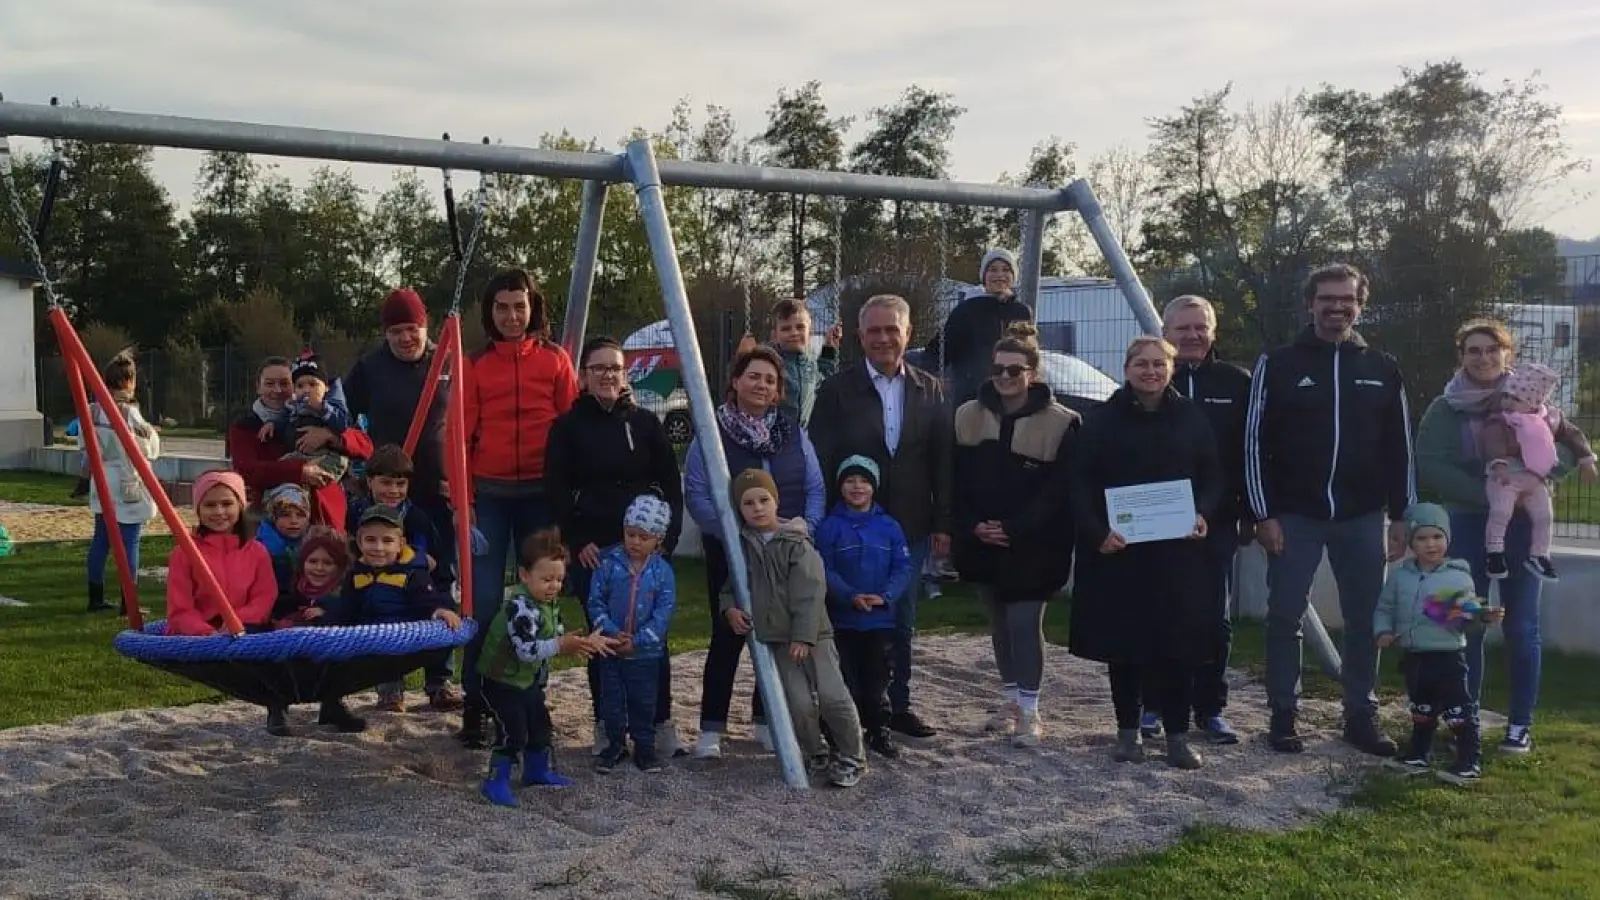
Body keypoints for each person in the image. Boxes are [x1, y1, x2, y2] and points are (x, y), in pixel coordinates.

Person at [1245, 263, 1414, 756]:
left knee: (1364, 620)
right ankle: (1283, 715)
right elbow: (1253, 444)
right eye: (1327, 299)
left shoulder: (1382, 368)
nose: (1337, 307)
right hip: (1294, 516)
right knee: (1284, 615)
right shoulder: (1276, 365)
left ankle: (1360, 715)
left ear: (1361, 305)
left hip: (1362, 517)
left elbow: (1400, 447)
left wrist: (1403, 515)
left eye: (1347, 300)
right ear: (1310, 304)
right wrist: (1264, 513)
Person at [1414, 319, 1586, 754]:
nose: (1483, 357)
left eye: (1492, 349)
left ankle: (1519, 726)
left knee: (1522, 626)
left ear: (1507, 353)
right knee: (1460, 623)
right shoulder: (1444, 408)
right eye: (1473, 350)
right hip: (1466, 527)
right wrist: (1491, 496)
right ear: (1462, 356)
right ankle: (1462, 717)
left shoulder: (1535, 401)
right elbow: (1432, 463)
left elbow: (1563, 449)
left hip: (1524, 528)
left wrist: (1532, 482)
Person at [1069, 336, 1222, 769]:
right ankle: (1128, 733)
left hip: (1179, 553)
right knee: (1126, 647)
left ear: (1171, 369)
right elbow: (1079, 483)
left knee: (1179, 646)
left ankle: (1176, 736)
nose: (1150, 371)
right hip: (1121, 553)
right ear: (1126, 368)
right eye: (1141, 364)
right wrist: (1098, 532)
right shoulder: (1101, 421)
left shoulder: (1192, 418)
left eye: (1159, 363)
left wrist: (1203, 513)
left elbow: (1212, 476)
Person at [810, 294, 950, 740]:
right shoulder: (837, 390)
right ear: (859, 335)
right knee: (847, 619)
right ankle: (848, 708)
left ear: (908, 334)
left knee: (899, 618)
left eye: (893, 329)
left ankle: (897, 706)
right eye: (874, 330)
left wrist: (944, 522)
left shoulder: (931, 389)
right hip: (848, 527)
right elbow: (821, 457)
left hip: (908, 524)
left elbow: (942, 459)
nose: (884, 338)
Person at [544, 335, 685, 756]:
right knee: (603, 637)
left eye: (615, 368)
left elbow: (670, 482)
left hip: (645, 551)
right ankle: (608, 725)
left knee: (650, 640)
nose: (608, 375)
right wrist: (576, 539)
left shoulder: (644, 423)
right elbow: (555, 488)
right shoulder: (567, 427)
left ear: (625, 375)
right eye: (599, 368)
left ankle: (658, 723)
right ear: (584, 376)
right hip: (597, 549)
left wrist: (669, 539)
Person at [684, 345, 826, 759]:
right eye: (753, 376)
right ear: (735, 381)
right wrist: (735, 534)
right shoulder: (712, 432)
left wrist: (806, 527)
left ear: (778, 389)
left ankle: (766, 719)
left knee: (778, 633)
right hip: (731, 551)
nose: (761, 385)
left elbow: (815, 488)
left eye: (770, 380)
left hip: (784, 551)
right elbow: (697, 493)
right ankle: (711, 728)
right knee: (729, 634)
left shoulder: (794, 433)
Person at [458, 269, 580, 746]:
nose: (512, 316)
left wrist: (565, 499)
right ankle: (476, 700)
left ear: (533, 309)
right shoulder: (475, 365)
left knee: (538, 598)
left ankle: (532, 694)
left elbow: (570, 430)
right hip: (488, 495)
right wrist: (464, 502)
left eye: (520, 306)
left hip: (538, 493)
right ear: (490, 312)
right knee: (483, 602)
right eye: (502, 307)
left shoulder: (554, 361)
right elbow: (462, 437)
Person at [952, 324, 1079, 749]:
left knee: (1025, 623)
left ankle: (1030, 709)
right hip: (982, 538)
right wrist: (974, 524)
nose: (1005, 377)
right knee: (999, 623)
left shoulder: (1061, 423)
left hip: (1034, 544)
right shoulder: (968, 415)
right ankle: (1010, 700)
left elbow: (1059, 490)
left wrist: (1014, 528)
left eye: (1015, 370)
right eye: (999, 369)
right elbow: (957, 479)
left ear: (1033, 374)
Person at [1146, 295, 1252, 745]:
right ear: (1165, 332)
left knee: (1213, 618)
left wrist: (1248, 510)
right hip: (1155, 522)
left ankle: (1210, 708)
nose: (1191, 335)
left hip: (1217, 520)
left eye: (1199, 327)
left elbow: (1250, 453)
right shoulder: (1147, 383)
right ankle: (1152, 705)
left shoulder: (1237, 383)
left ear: (1213, 332)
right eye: (1181, 328)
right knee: (1157, 612)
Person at [723, 468, 864, 788]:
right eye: (748, 503)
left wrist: (804, 634)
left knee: (832, 696)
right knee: (798, 702)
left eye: (763, 500)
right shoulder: (743, 546)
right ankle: (817, 753)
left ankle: (853, 755)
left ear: (776, 501)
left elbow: (810, 590)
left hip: (814, 635)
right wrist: (729, 608)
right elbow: (730, 585)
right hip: (776, 638)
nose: (757, 508)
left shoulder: (796, 543)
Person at [343, 289, 456, 637]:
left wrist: (464, 477)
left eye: (412, 328)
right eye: (395, 332)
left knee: (437, 578)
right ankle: (386, 676)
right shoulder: (370, 368)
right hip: (387, 494)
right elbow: (343, 416)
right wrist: (350, 459)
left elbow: (472, 421)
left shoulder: (449, 362)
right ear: (385, 334)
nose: (405, 338)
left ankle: (439, 677)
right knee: (382, 578)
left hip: (438, 490)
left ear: (426, 326)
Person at [477, 528, 616, 807]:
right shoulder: (520, 608)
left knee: (540, 725)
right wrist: (562, 645)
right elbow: (527, 650)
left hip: (526, 682)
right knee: (513, 731)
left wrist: (580, 643)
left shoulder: (547, 604)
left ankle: (536, 770)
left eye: (559, 579)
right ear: (525, 575)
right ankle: (495, 780)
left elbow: (557, 634)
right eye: (547, 579)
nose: (554, 586)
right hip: (500, 682)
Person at [1374, 503, 1495, 785]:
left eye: (1437, 537)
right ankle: (1418, 754)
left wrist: (1476, 614)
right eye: (1422, 538)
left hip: (1448, 656)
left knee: (1458, 711)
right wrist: (1383, 630)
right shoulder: (1401, 576)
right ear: (1411, 543)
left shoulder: (1459, 576)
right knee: (1421, 708)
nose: (1431, 544)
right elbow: (1385, 607)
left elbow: (1468, 617)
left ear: (1447, 539)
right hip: (1415, 655)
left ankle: (1469, 762)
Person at [816, 455, 913, 759]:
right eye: (849, 481)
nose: (857, 487)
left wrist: (886, 595)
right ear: (840, 486)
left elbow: (903, 567)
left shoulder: (889, 526)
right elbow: (824, 568)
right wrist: (849, 595)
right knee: (845, 680)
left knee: (877, 680)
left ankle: (879, 730)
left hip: (880, 621)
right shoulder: (830, 527)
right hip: (843, 620)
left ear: (874, 487)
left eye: (864, 481)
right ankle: (838, 733)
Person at [323, 504, 463, 711]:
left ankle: (438, 685)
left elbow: (426, 597)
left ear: (401, 544)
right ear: (359, 543)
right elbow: (347, 607)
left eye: (387, 541)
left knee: (443, 633)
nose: (379, 548)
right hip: (375, 635)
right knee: (374, 659)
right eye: (370, 540)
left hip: (408, 634)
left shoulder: (412, 573)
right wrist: (328, 622)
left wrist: (438, 610)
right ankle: (390, 692)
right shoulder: (357, 574)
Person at [1476, 362, 1595, 582]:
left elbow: (1573, 435)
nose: (1508, 403)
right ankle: (1494, 552)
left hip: (1536, 478)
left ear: (1534, 403)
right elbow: (1492, 441)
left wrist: (1586, 460)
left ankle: (1539, 554)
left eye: (1517, 399)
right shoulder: (1501, 420)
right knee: (1501, 511)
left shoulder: (1550, 419)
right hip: (1506, 475)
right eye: (1506, 396)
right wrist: (1499, 464)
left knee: (1544, 516)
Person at [587, 493, 677, 774]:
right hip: (610, 648)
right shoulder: (608, 564)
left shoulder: (663, 572)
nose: (635, 542)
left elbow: (663, 613)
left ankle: (645, 748)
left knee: (644, 700)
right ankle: (615, 745)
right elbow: (595, 602)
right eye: (630, 534)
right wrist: (613, 635)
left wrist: (638, 641)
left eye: (643, 537)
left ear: (657, 540)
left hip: (646, 652)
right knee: (612, 699)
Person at [232, 356, 373, 532]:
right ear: (258, 387)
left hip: (325, 515)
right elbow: (247, 470)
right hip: (276, 520)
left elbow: (365, 446)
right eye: (269, 383)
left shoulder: (322, 413)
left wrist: (329, 436)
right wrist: (299, 471)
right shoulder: (246, 426)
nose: (277, 390)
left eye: (285, 383)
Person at [82, 351, 161, 614]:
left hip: (101, 479)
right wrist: (151, 432)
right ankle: (130, 602)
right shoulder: (128, 412)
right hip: (126, 481)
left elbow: (84, 445)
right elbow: (148, 449)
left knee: (101, 540)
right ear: (129, 381)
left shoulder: (91, 411)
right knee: (130, 541)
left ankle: (95, 597)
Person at [164, 470, 279, 638]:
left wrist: (236, 620)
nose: (219, 512)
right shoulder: (184, 553)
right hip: (196, 637)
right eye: (210, 505)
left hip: (245, 631)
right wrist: (205, 632)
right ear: (198, 509)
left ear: (240, 506)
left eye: (226, 504)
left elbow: (264, 599)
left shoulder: (257, 552)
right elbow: (180, 608)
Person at [927, 248, 1035, 407]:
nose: (1000, 275)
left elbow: (1029, 351)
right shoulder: (966, 310)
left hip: (1012, 392)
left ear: (1013, 277)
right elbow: (939, 350)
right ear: (984, 276)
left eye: (1006, 270)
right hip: (973, 394)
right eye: (993, 270)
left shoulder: (1021, 311)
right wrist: (935, 378)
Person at [259, 351, 352, 480]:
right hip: (300, 454)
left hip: (326, 454)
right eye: (300, 386)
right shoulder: (294, 405)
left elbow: (344, 424)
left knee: (331, 468)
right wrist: (273, 424)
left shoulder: (331, 405)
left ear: (326, 387)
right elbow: (286, 420)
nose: (307, 390)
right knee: (282, 467)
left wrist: (322, 409)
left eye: (313, 384)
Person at [764, 298, 841, 428]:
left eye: (800, 327)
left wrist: (829, 349)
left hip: (802, 435)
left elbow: (823, 383)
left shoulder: (809, 363)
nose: (794, 333)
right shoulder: (769, 361)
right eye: (786, 329)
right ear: (774, 336)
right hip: (773, 432)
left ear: (810, 332)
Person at [270, 529, 348, 629]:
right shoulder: (290, 594)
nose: (319, 568)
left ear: (340, 567)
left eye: (328, 563)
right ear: (302, 564)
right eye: (313, 561)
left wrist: (326, 616)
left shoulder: (346, 598)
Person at [255, 484, 311, 594]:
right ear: (273, 518)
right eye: (285, 515)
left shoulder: (314, 543)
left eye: (300, 515)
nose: (294, 521)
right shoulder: (260, 548)